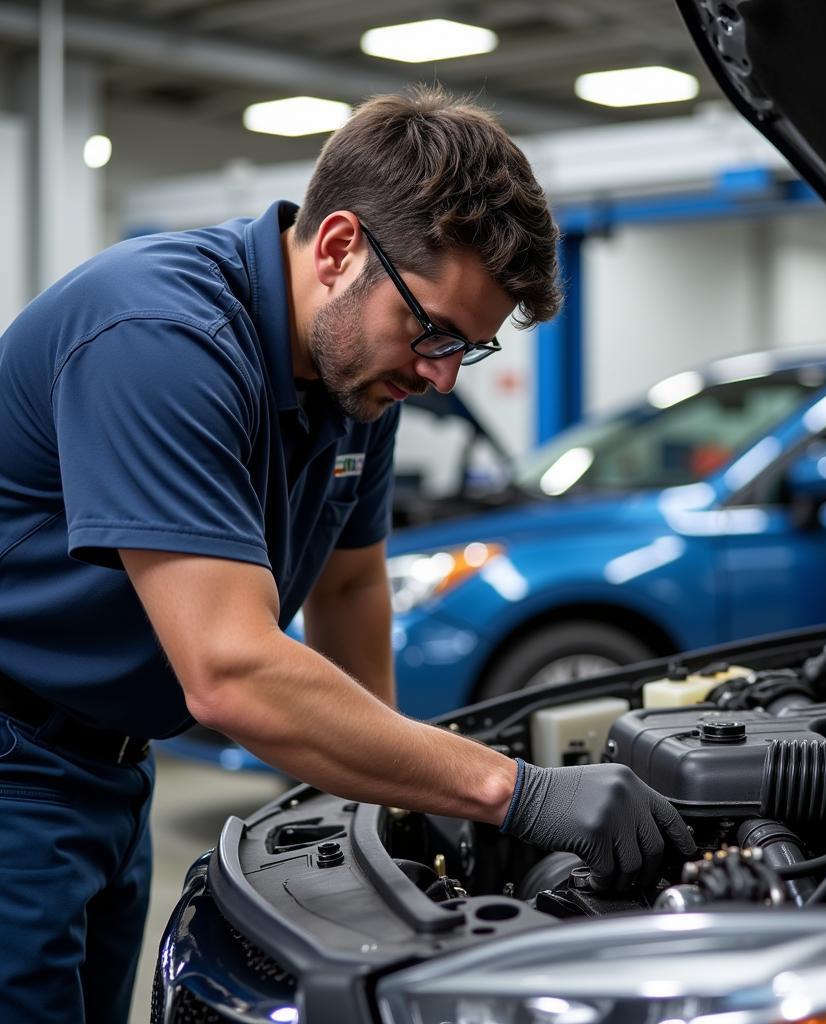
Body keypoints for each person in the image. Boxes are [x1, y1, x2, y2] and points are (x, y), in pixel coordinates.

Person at [0, 86, 693, 1023]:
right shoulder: (162, 338)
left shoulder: (353, 382)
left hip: (110, 769)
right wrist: (509, 790)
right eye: (435, 332)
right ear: (338, 250)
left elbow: (354, 584)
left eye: (468, 351)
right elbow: (231, 670)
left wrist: (399, 795)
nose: (442, 376)